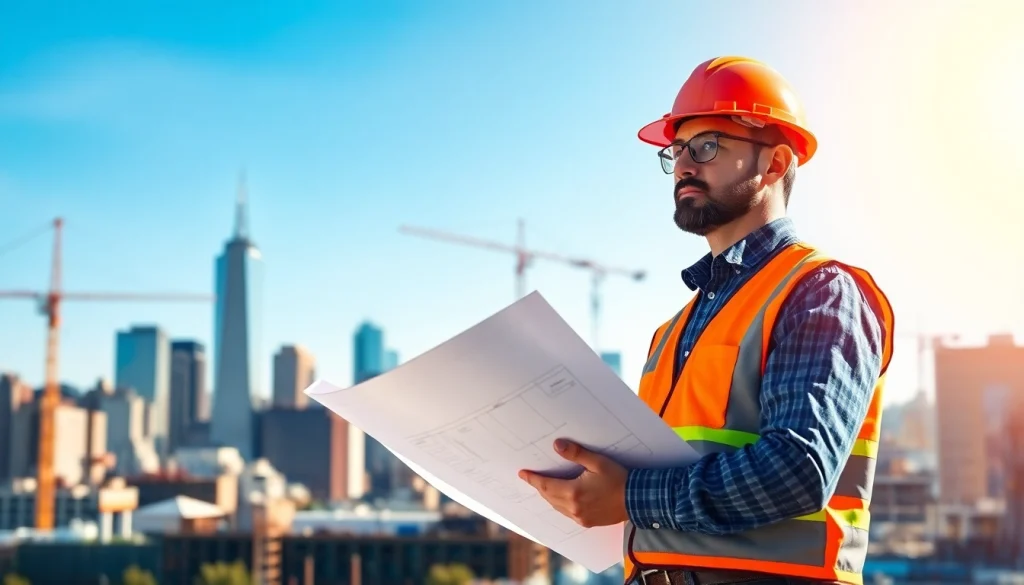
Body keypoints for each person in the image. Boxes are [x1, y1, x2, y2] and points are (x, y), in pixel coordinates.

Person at [519, 56, 894, 585]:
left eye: (707, 146)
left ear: (775, 164)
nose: (684, 165)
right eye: (677, 152)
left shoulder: (820, 292)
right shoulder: (672, 330)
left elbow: (797, 470)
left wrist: (628, 495)